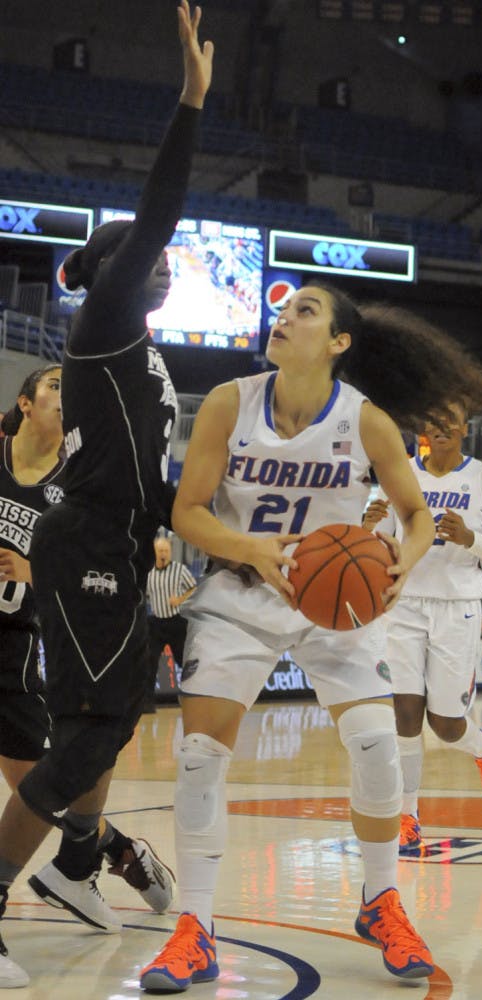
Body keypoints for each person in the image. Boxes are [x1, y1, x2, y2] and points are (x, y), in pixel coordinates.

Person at [139, 284, 482, 992]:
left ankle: (380, 901)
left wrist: (405, 561)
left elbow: (416, 515)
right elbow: (186, 512)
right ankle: (196, 927)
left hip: (335, 609)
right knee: (197, 757)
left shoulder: (366, 423)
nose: (286, 317)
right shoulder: (227, 402)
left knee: (377, 746)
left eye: (305, 311)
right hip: (243, 591)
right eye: (283, 310)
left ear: (339, 342)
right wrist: (252, 549)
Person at [0, 4, 213, 988]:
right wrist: (189, 105)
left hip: (118, 545)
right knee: (86, 735)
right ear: (125, 269)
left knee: (110, 727)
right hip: (82, 543)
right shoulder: (104, 321)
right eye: (153, 255)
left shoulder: (140, 355)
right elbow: (161, 212)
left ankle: (82, 863)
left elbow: (154, 477)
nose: (168, 262)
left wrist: (202, 526)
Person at [0, 368, 173, 982]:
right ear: (25, 403)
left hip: (14, 648)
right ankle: (115, 854)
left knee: (53, 787)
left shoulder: (76, 483)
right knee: (59, 784)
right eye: (54, 385)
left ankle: (94, 858)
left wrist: (35, 566)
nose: (66, 394)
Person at [362, 401, 482, 854]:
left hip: (458, 608)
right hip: (405, 604)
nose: (440, 426)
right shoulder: (400, 473)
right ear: (423, 428)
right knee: (404, 717)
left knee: (446, 725)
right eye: (432, 419)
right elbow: (378, 543)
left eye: (450, 419)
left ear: (465, 428)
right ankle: (408, 814)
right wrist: (365, 528)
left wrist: (470, 538)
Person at [144, 534, 197, 712]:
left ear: (171, 552)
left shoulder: (179, 570)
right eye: (160, 551)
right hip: (156, 623)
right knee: (149, 663)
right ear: (154, 552)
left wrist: (181, 599)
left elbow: (194, 587)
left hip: (176, 622)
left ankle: (192, 699)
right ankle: (147, 704)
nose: (163, 554)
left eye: (166, 550)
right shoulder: (148, 571)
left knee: (184, 661)